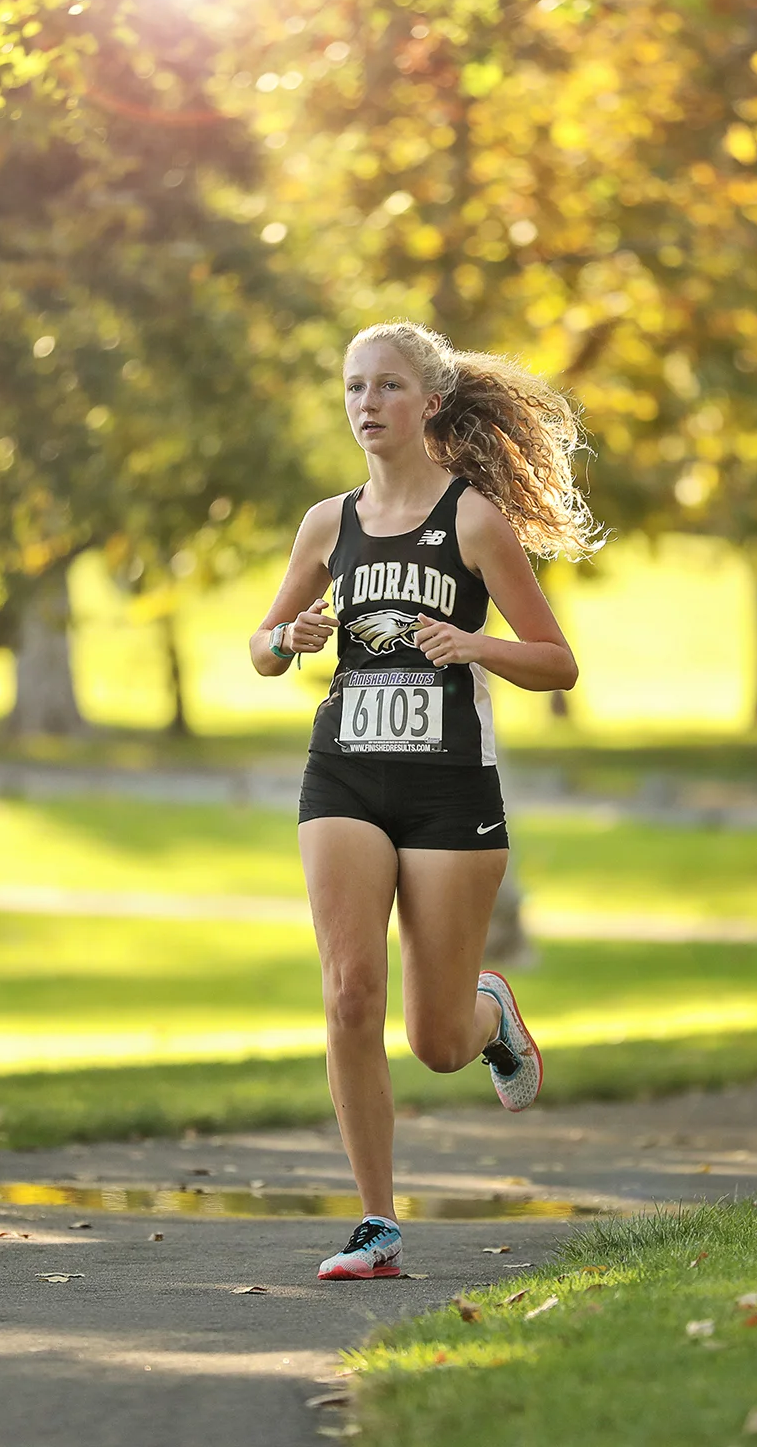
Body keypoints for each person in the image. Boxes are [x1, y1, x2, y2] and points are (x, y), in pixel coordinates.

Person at [249, 322, 600, 1281]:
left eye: (389, 387)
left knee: (437, 1043)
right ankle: (376, 1223)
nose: (368, 404)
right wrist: (293, 639)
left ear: (430, 402)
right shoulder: (329, 523)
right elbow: (264, 642)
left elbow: (558, 664)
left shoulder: (475, 521)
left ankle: (488, 1014)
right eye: (355, 387)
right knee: (350, 993)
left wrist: (474, 644)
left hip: (451, 790)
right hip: (346, 777)